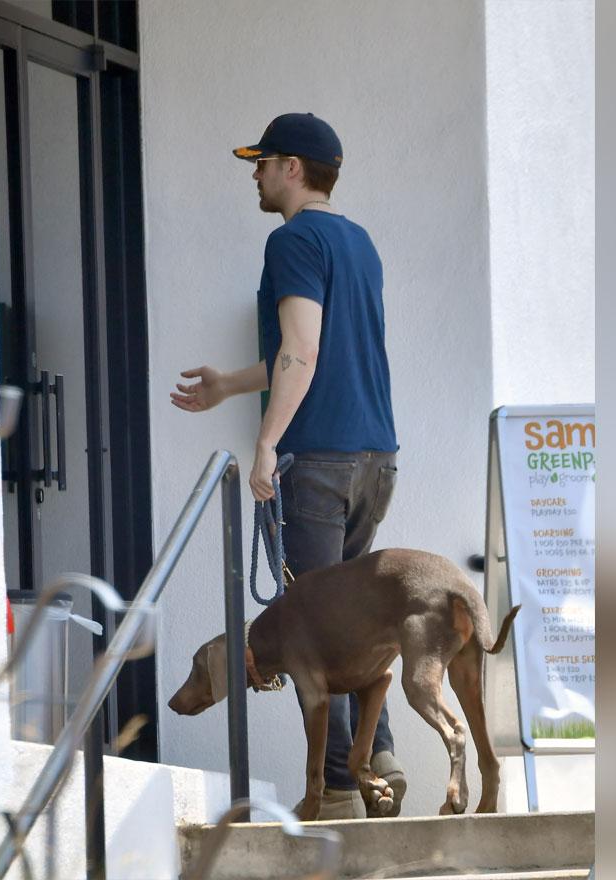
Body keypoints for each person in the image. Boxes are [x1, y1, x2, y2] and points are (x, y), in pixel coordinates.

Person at [169, 112, 405, 820]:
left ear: (293, 167)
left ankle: (337, 788)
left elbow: (301, 350)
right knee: (352, 621)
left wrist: (268, 441)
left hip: (320, 461)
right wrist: (229, 386)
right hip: (375, 461)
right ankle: (382, 755)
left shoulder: (292, 239)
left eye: (263, 161)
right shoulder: (358, 243)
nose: (256, 173)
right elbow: (304, 351)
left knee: (312, 629)